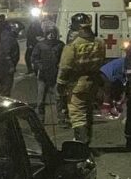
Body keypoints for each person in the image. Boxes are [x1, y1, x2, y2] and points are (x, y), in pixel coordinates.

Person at [57, 13, 107, 144]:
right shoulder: (100, 42)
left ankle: (81, 143)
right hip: (93, 82)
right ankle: (87, 139)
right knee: (88, 111)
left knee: (78, 114)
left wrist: (60, 84)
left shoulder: (73, 45)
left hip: (77, 83)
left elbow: (65, 67)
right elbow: (102, 60)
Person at [31, 25, 63, 122]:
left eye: (53, 33)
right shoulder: (40, 45)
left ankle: (61, 118)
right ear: (45, 34)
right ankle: (40, 118)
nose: (51, 35)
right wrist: (40, 66)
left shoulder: (60, 45)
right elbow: (34, 58)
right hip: (43, 75)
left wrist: (60, 66)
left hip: (56, 74)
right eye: (49, 33)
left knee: (59, 97)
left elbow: (64, 58)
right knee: (41, 99)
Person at [0, 17, 20, 96]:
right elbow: (6, 53)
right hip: (6, 67)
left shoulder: (6, 36)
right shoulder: (9, 39)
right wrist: (11, 65)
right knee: (6, 87)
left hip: (4, 66)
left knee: (3, 86)